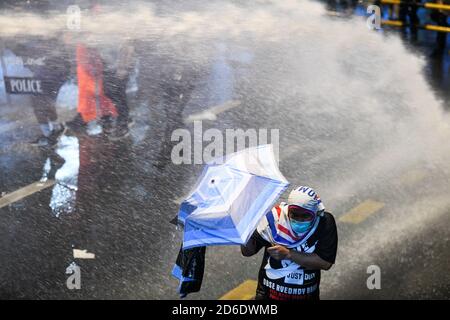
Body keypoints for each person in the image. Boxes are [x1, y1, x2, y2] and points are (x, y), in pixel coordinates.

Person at [241, 186, 338, 301]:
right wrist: (246, 225)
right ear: (288, 210)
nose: (299, 220)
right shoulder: (275, 219)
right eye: (294, 214)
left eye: (305, 216)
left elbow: (325, 263)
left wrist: (288, 254)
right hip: (268, 295)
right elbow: (247, 251)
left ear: (315, 213)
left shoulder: (324, 223)